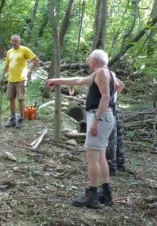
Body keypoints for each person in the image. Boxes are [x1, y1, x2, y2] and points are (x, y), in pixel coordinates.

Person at [47, 49, 123, 208]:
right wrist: (58, 80)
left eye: (89, 59)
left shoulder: (101, 72)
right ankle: (106, 193)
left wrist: (97, 121)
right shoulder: (105, 72)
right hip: (105, 116)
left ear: (94, 60)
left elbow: (106, 96)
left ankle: (93, 195)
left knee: (92, 157)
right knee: (100, 156)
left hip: (99, 116)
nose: (88, 62)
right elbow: (78, 80)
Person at [1, 35, 39, 129]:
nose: (14, 42)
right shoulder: (10, 52)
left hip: (21, 79)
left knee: (21, 99)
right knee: (11, 98)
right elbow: (7, 65)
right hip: (11, 79)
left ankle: (21, 119)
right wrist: (2, 76)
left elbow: (36, 60)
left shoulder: (24, 49)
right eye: (12, 41)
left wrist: (30, 71)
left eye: (16, 41)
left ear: (19, 41)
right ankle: (13, 118)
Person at [106, 77, 127, 175]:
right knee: (118, 136)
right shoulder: (107, 73)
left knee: (112, 138)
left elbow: (119, 85)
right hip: (112, 106)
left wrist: (110, 99)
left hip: (109, 108)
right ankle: (120, 163)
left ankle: (112, 167)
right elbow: (121, 85)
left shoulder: (104, 73)